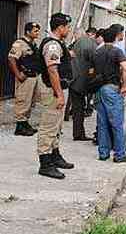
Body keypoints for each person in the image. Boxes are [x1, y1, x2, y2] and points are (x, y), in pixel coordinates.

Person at [37, 13, 75, 179]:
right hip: (53, 91)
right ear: (60, 28)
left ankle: (55, 155)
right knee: (48, 127)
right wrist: (59, 95)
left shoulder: (58, 43)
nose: (68, 29)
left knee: (57, 126)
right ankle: (45, 164)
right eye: (67, 26)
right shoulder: (52, 45)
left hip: (58, 89)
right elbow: (52, 70)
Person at [94, 27, 126, 163]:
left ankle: (103, 153)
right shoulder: (117, 51)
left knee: (102, 123)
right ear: (116, 36)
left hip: (98, 90)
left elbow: (91, 71)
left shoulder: (97, 52)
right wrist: (125, 86)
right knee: (117, 123)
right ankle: (120, 154)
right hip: (112, 89)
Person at [7, 22, 42, 136]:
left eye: (38, 30)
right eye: (35, 31)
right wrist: (18, 74)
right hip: (25, 77)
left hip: (34, 76)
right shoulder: (19, 43)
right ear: (28, 32)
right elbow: (11, 59)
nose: (37, 33)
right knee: (23, 100)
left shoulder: (33, 44)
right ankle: (19, 126)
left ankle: (25, 123)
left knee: (30, 101)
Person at [68, 27, 98, 141]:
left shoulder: (76, 44)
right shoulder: (90, 43)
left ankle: (78, 133)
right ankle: (79, 134)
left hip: (74, 80)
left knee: (77, 109)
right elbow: (95, 62)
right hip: (85, 81)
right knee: (80, 108)